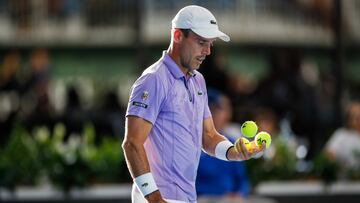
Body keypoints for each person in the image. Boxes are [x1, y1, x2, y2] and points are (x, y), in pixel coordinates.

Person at [122, 5, 265, 203]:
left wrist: (235, 153)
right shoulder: (153, 80)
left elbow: (208, 136)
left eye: (210, 44)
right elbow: (132, 143)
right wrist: (154, 199)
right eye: (201, 42)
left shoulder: (198, 81)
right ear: (178, 35)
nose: (207, 51)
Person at [196, 89, 250, 202]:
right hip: (203, 198)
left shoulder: (232, 142)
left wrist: (239, 194)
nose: (214, 115)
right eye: (210, 110)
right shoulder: (192, 142)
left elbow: (242, 180)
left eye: (217, 110)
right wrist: (219, 195)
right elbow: (189, 181)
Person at [324, 101, 360, 168]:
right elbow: (328, 153)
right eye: (355, 116)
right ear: (348, 120)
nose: (358, 120)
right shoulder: (342, 134)